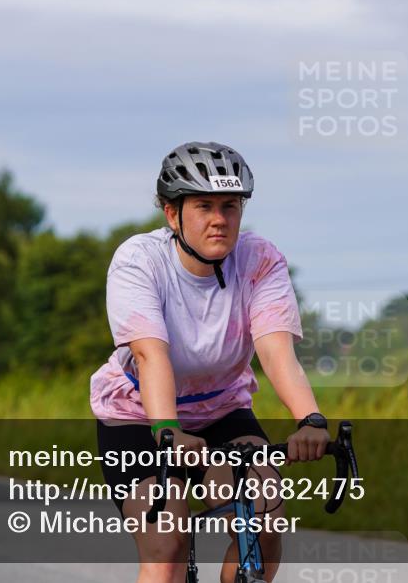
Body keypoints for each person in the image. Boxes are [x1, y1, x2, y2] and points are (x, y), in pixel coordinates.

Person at [90, 141, 329, 583]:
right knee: (167, 545)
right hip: (139, 416)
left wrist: (310, 420)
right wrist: (167, 431)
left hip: (222, 411)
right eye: (204, 206)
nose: (220, 219)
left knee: (265, 516)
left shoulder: (260, 259)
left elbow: (276, 351)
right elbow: (150, 354)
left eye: (230, 206)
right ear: (172, 213)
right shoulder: (139, 261)